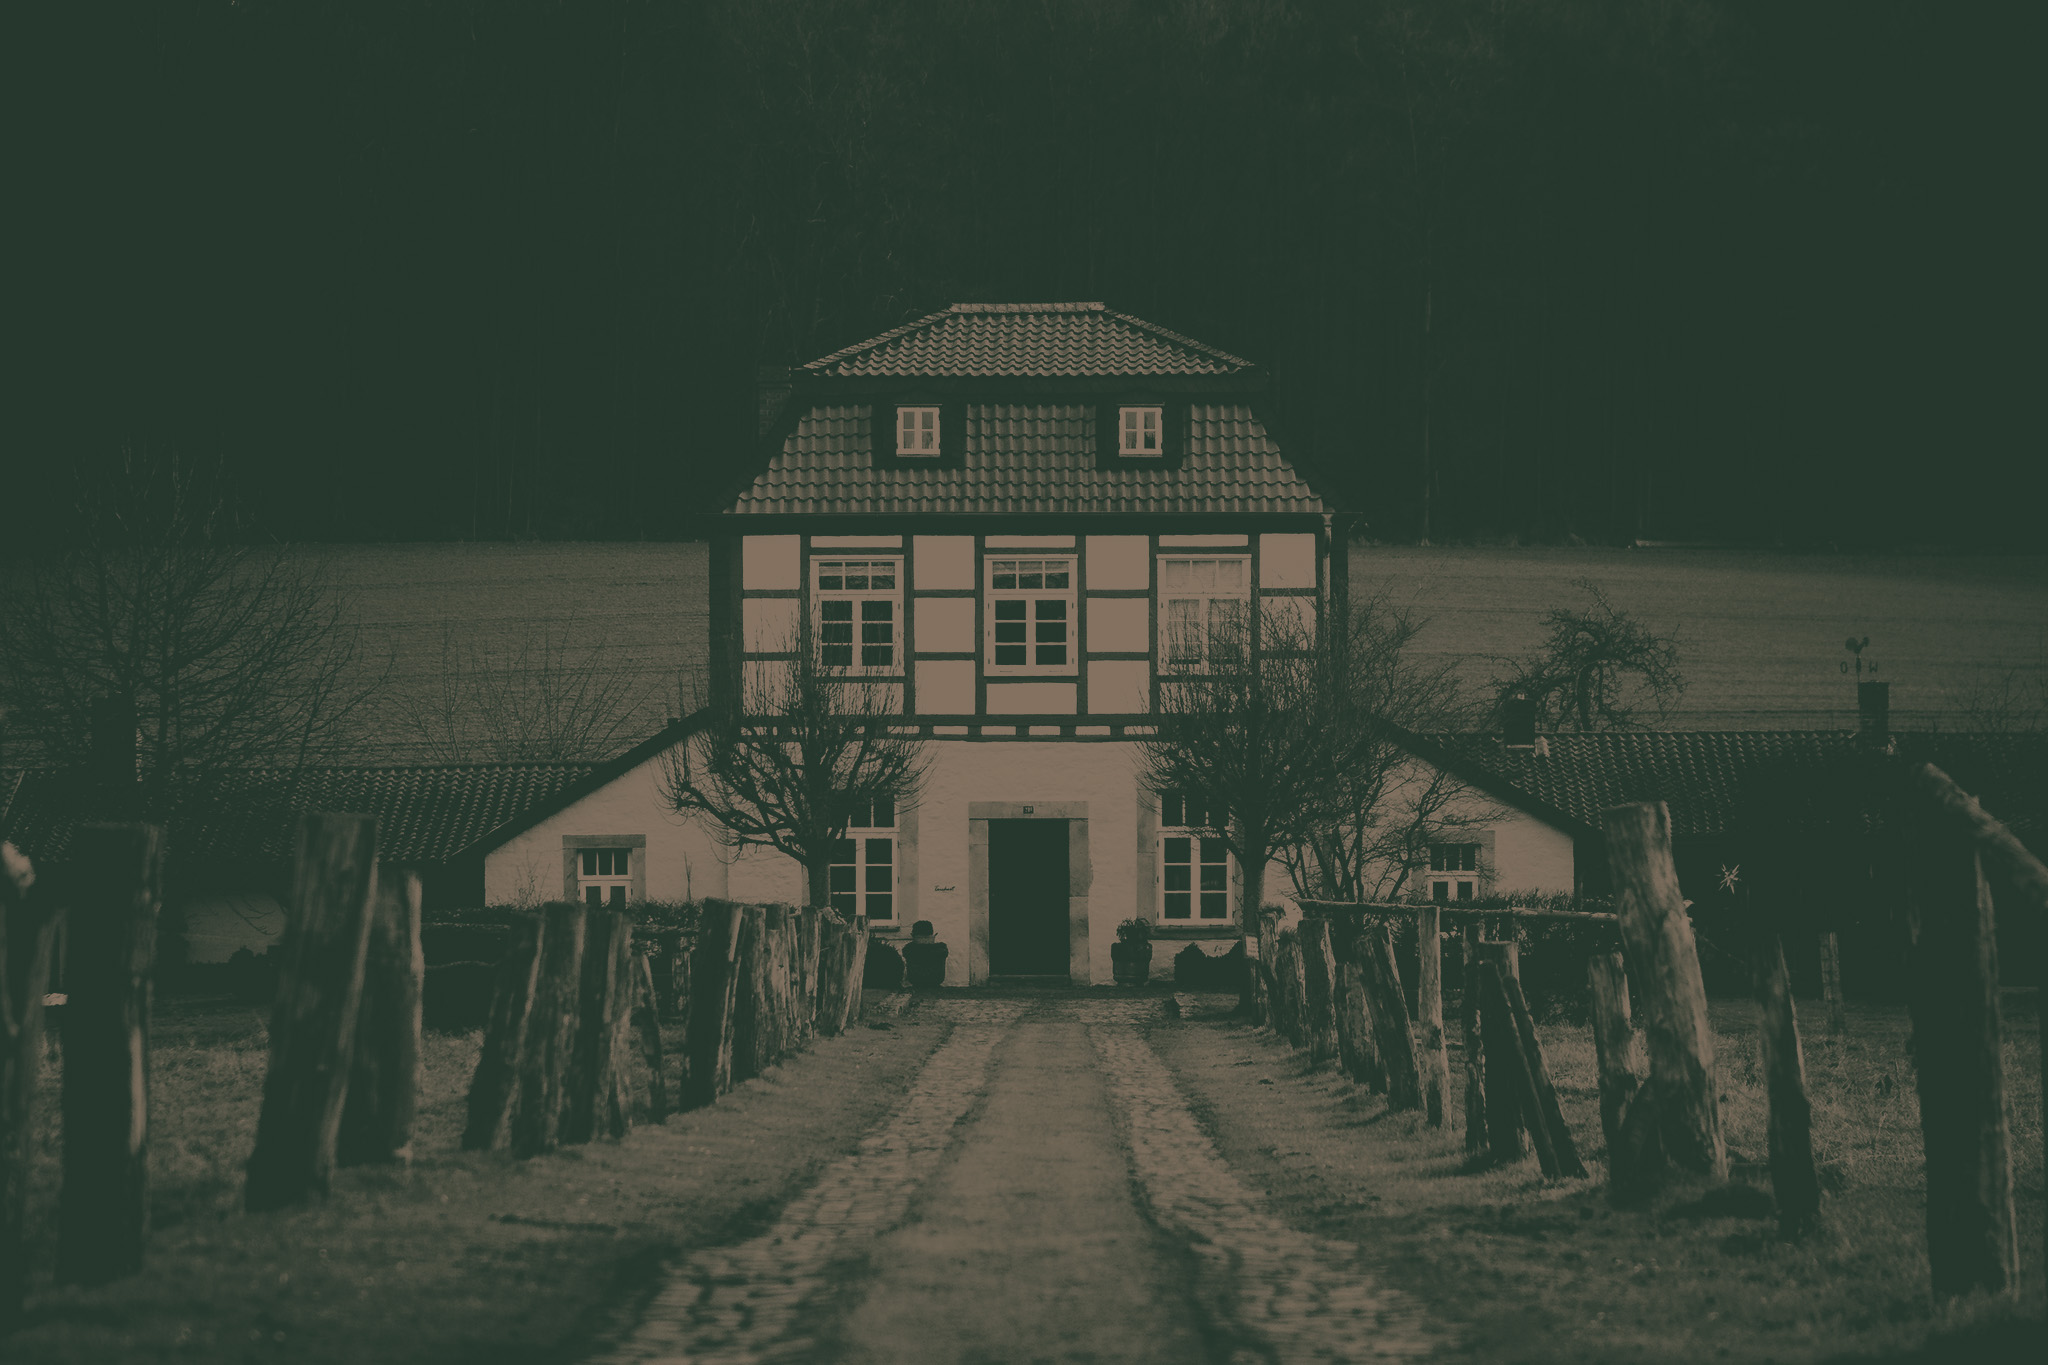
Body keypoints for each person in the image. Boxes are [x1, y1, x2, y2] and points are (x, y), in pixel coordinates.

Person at [902, 919, 948, 989]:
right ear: (932, 935)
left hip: (916, 980)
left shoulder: (910, 949)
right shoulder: (940, 949)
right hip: (936, 980)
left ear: (913, 935)